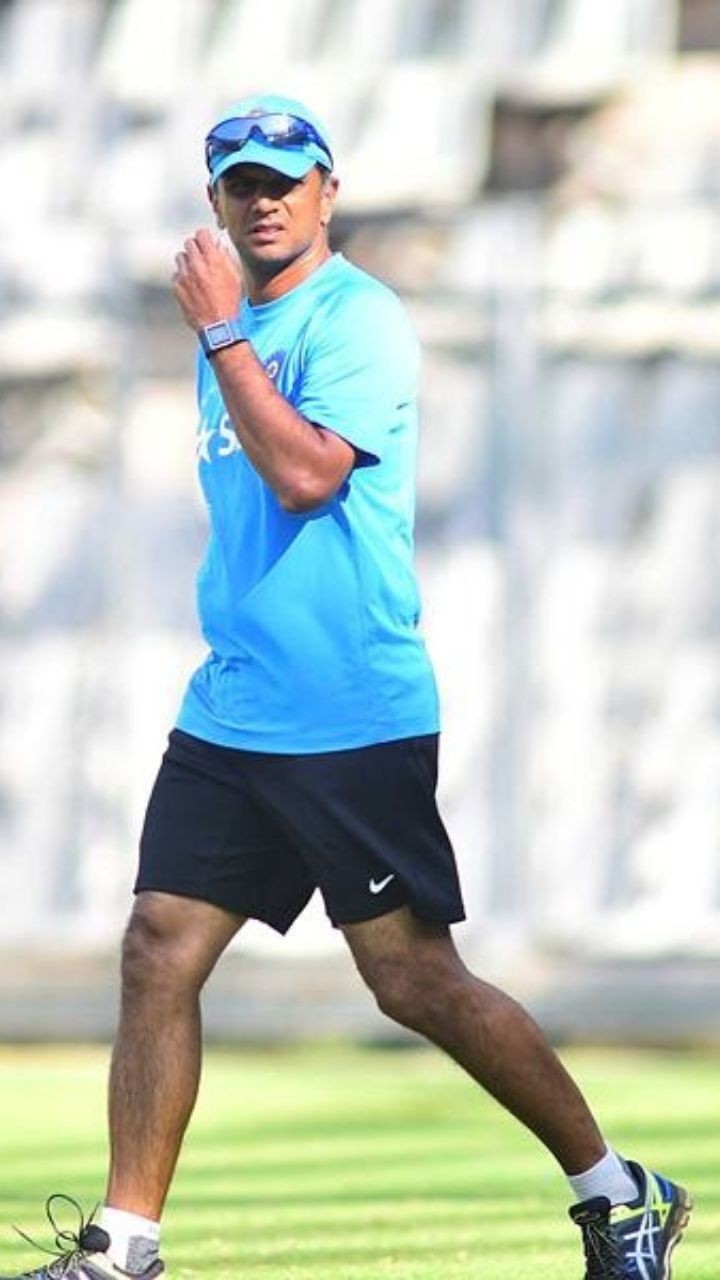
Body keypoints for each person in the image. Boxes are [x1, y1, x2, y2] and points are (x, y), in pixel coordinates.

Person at [4, 93, 691, 1280]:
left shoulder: (355, 318)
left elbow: (310, 476)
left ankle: (619, 1191)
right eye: (242, 184)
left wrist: (222, 334)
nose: (264, 201)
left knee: (414, 979)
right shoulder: (234, 329)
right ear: (216, 201)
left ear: (328, 191)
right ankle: (124, 1243)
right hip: (234, 707)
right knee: (157, 945)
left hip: (346, 715)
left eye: (285, 180)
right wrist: (226, 335)